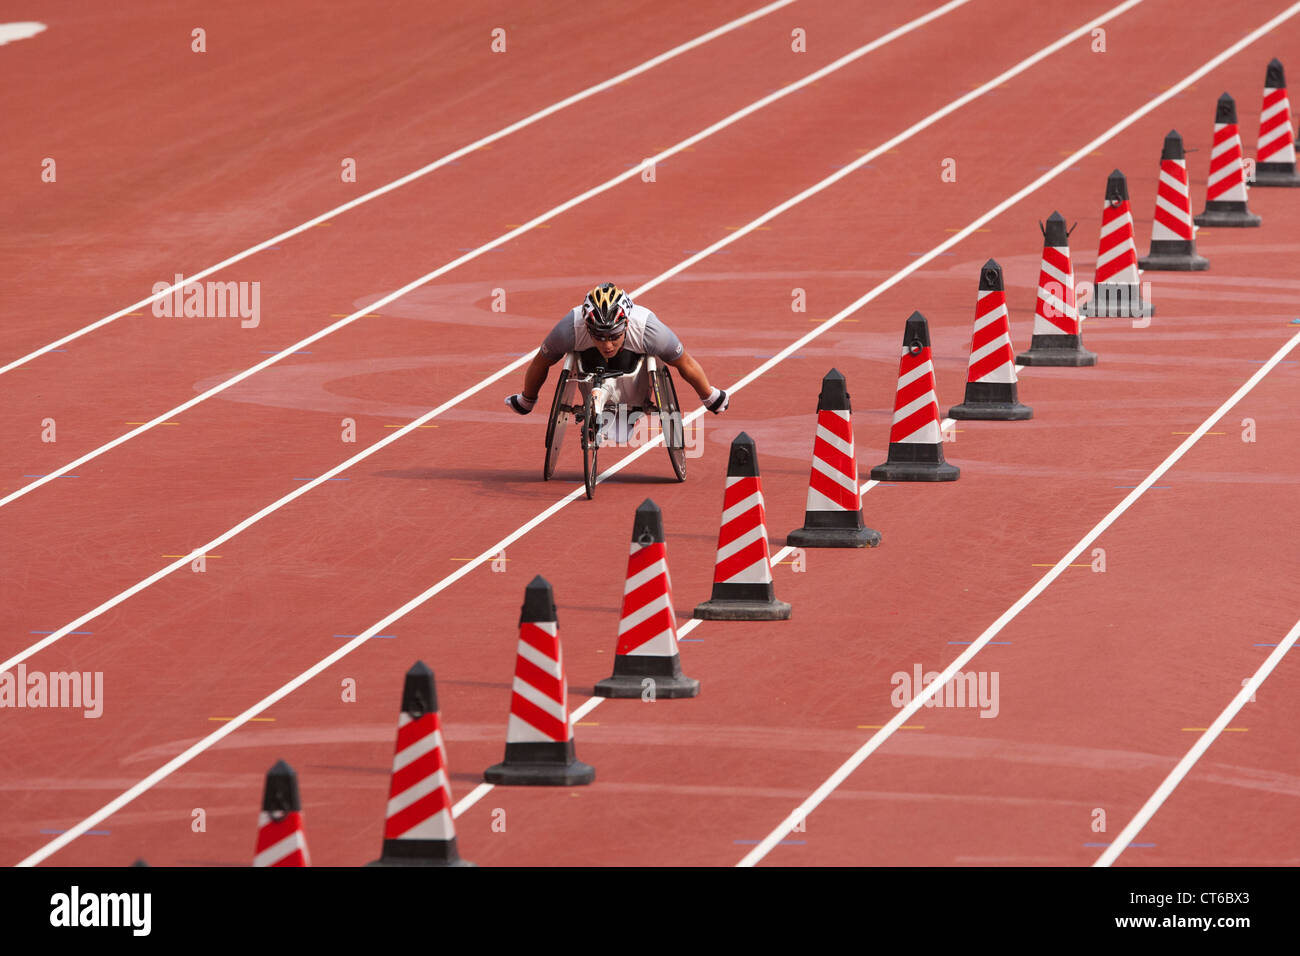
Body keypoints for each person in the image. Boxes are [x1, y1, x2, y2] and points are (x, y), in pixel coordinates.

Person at [505, 283, 728, 426]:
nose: (608, 344)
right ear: (587, 327)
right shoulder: (569, 329)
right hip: (589, 365)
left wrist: (709, 397)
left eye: (614, 336)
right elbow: (540, 363)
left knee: (663, 356)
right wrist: (527, 399)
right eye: (599, 336)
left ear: (626, 324)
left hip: (635, 370)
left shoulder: (649, 329)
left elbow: (684, 363)